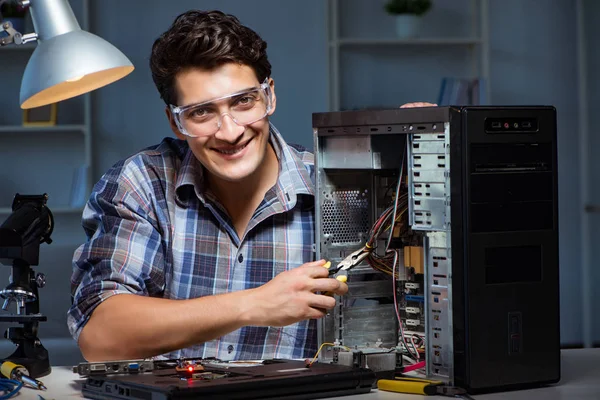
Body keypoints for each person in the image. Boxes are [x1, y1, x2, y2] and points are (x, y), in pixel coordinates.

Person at [68, 9, 433, 362]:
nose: (229, 132)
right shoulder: (142, 184)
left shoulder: (346, 187)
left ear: (268, 95)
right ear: (175, 122)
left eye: (243, 102)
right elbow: (101, 337)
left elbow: (420, 306)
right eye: (201, 112)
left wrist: (420, 170)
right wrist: (254, 304)